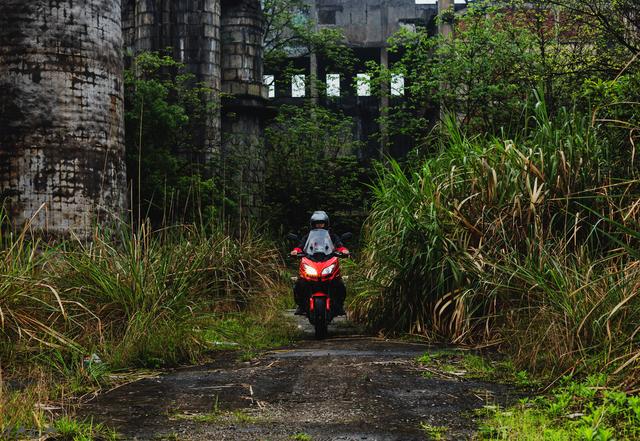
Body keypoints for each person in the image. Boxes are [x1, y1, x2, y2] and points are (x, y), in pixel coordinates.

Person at [290, 211, 349, 316]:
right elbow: (300, 246)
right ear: (313, 224)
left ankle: (339, 305)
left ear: (326, 223)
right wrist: (295, 251)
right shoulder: (308, 236)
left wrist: (344, 251)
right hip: (311, 259)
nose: (319, 225)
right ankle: (302, 305)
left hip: (328, 259)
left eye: (321, 223)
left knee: (339, 283)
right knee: (301, 282)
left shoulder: (331, 235)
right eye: (317, 223)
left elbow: (340, 245)